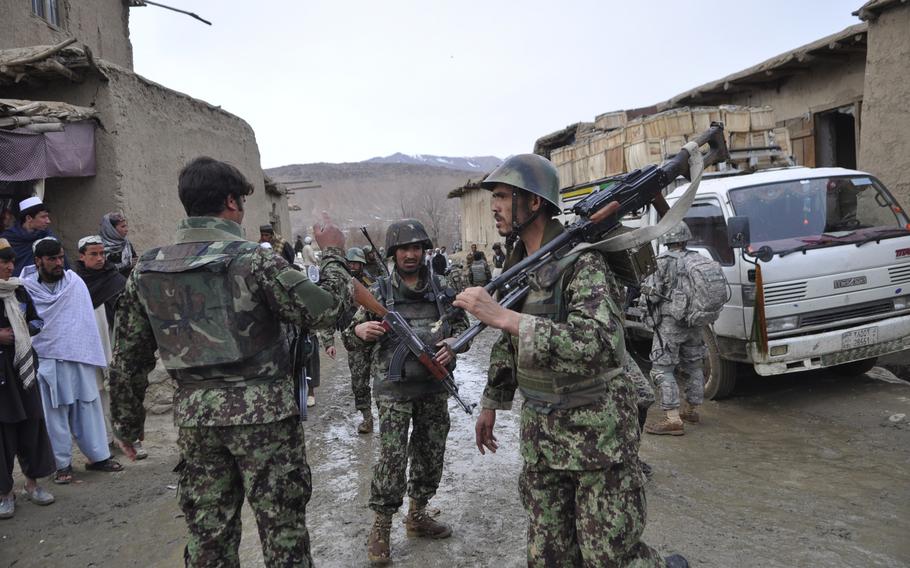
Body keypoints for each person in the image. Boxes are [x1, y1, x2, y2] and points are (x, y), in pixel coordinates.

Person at [108, 157, 352, 567]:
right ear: (231, 202)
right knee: (283, 533)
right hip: (265, 420)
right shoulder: (254, 260)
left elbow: (127, 358)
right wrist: (331, 255)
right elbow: (328, 312)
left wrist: (126, 425)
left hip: (196, 422)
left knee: (208, 535)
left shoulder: (147, 268)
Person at [454, 154, 684, 567]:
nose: (494, 206)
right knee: (548, 554)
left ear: (535, 203)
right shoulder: (522, 264)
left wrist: (506, 317)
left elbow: (598, 343)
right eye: (495, 197)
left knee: (609, 556)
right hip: (543, 438)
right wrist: (492, 400)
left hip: (597, 436)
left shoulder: (583, 261)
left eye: (504, 196)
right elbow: (510, 342)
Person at [343, 219, 469, 565]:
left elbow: (463, 328)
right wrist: (360, 330)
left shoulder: (443, 289)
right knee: (393, 458)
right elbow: (348, 338)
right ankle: (381, 526)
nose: (411, 254)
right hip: (393, 390)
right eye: (404, 249)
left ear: (425, 252)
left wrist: (453, 345)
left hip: (433, 386)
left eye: (416, 248)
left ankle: (417, 515)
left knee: (430, 452)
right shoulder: (380, 291)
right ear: (393, 254)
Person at [21, 238, 122, 485]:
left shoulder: (74, 283)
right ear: (38, 261)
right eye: (52, 259)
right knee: (54, 415)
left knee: (88, 407)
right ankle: (61, 465)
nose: (58, 263)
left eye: (60, 258)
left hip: (78, 356)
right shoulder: (25, 288)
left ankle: (99, 457)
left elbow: (83, 321)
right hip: (47, 360)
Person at [74, 236, 147, 459]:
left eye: (101, 254)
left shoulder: (115, 278)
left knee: (121, 389)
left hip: (115, 341)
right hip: (89, 344)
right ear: (81, 256)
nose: (99, 258)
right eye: (93, 254)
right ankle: (105, 439)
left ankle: (128, 438)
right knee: (97, 393)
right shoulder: (75, 283)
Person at [0, 238, 56, 519]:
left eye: (12, 261)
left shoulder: (19, 292)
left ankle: (32, 484)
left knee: (32, 423)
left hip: (23, 369)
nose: (11, 266)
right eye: (5, 262)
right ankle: (4, 492)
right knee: (3, 432)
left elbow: (36, 320)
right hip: (1, 375)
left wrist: (28, 327)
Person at [641, 222, 707, 436]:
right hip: (695, 323)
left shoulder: (662, 262)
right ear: (686, 238)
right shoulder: (699, 259)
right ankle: (691, 410)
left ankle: (672, 419)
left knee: (662, 369)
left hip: (670, 325)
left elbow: (651, 295)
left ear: (666, 239)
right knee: (694, 366)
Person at [322, 247, 375, 433]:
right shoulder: (341, 284)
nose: (353, 266)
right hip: (354, 341)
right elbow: (330, 313)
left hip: (377, 339)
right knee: (359, 382)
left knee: (385, 380)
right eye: (350, 263)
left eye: (357, 263)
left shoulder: (372, 282)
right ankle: (367, 417)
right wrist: (328, 342)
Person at [0, 197, 68, 277]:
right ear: (29, 218)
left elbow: (63, 265)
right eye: (43, 217)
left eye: (47, 217)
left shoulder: (49, 237)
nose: (48, 221)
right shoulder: (7, 239)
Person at [99, 212, 138, 277]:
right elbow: (102, 270)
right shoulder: (99, 246)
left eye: (126, 226)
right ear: (111, 229)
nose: (126, 230)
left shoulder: (126, 243)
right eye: (123, 226)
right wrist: (126, 265)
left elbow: (134, 259)